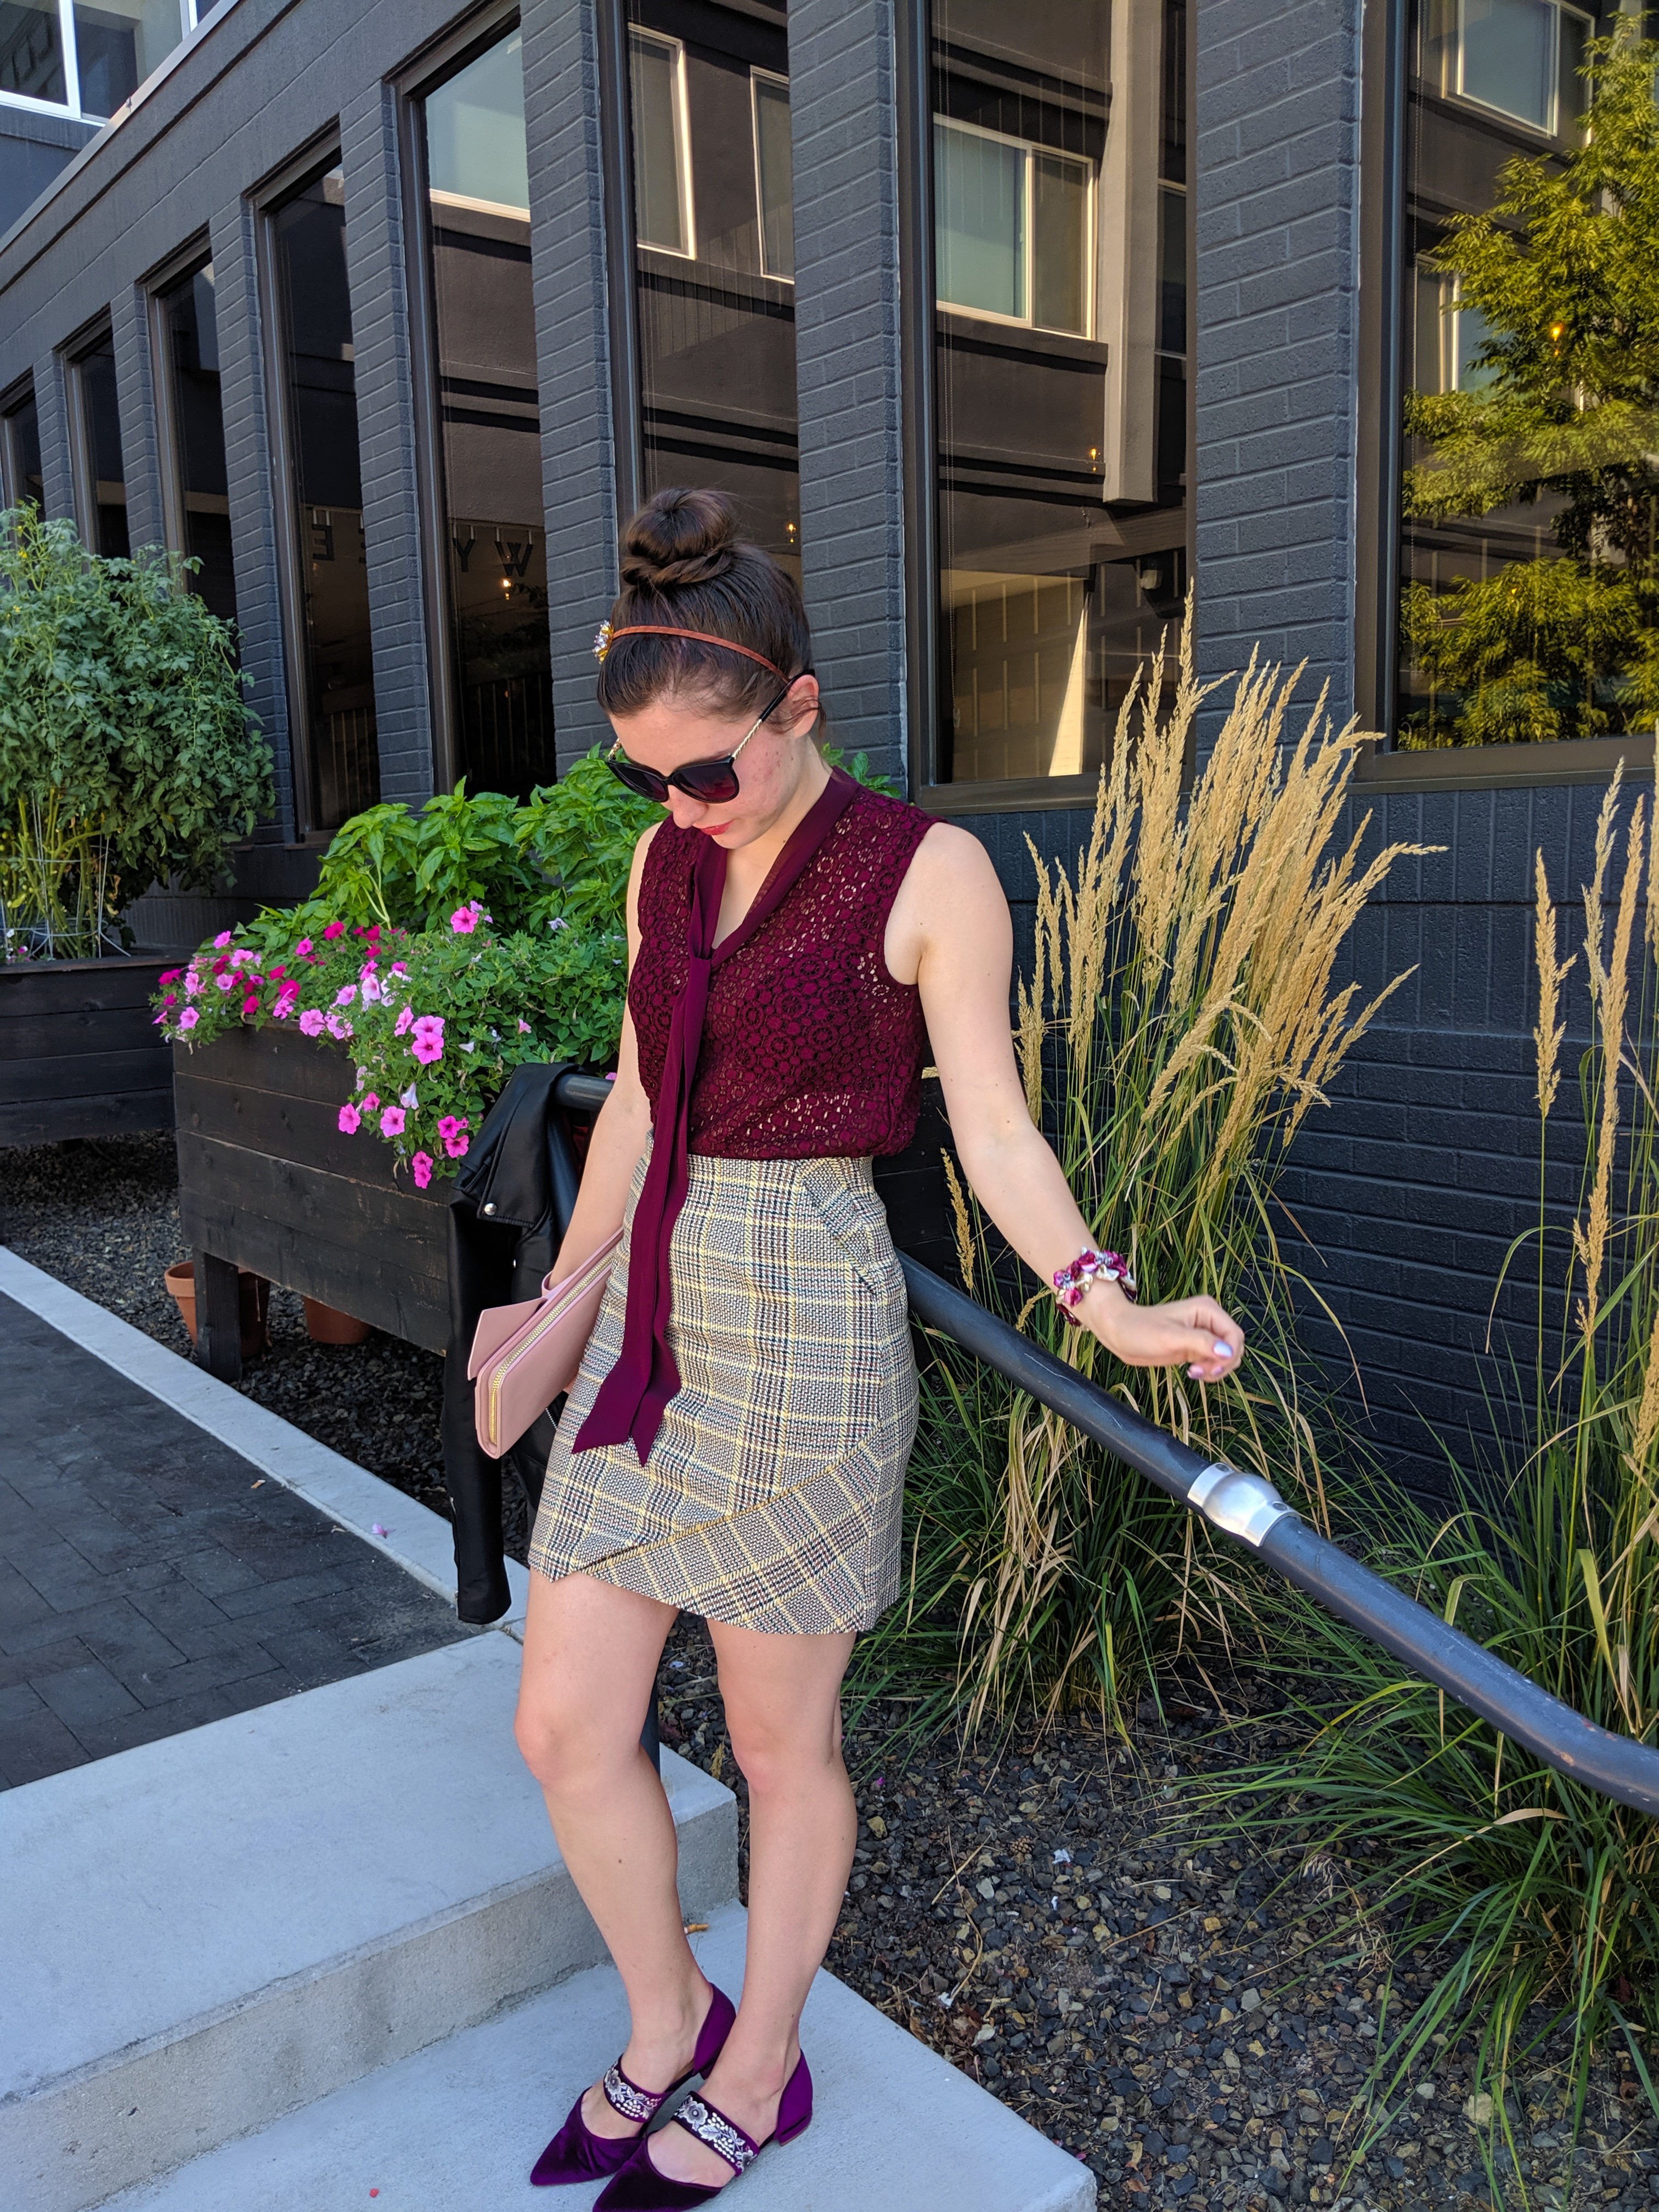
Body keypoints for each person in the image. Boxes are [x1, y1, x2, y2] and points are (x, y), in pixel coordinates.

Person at [513, 486, 1244, 2208]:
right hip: (652, 1317)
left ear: (797, 708)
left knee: (782, 1750)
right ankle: (662, 2014)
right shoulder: (663, 860)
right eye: (651, 779)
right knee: (563, 1724)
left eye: (709, 768)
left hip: (814, 1321)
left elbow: (992, 1134)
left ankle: (761, 2065)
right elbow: (632, 1097)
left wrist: (1104, 1299)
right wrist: (567, 1293)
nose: (681, 807)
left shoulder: (928, 871)